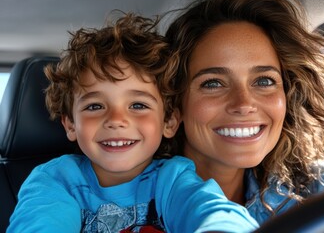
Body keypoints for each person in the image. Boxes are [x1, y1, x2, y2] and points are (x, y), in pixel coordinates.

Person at [7, 12, 259, 232]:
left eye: (138, 105)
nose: (116, 120)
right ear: (71, 125)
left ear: (169, 121)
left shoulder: (173, 180)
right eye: (95, 106)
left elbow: (212, 211)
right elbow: (39, 222)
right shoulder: (57, 180)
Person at [165, 0, 324, 225]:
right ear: (175, 102)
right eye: (213, 83)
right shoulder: (125, 211)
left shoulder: (318, 186)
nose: (244, 104)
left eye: (264, 81)